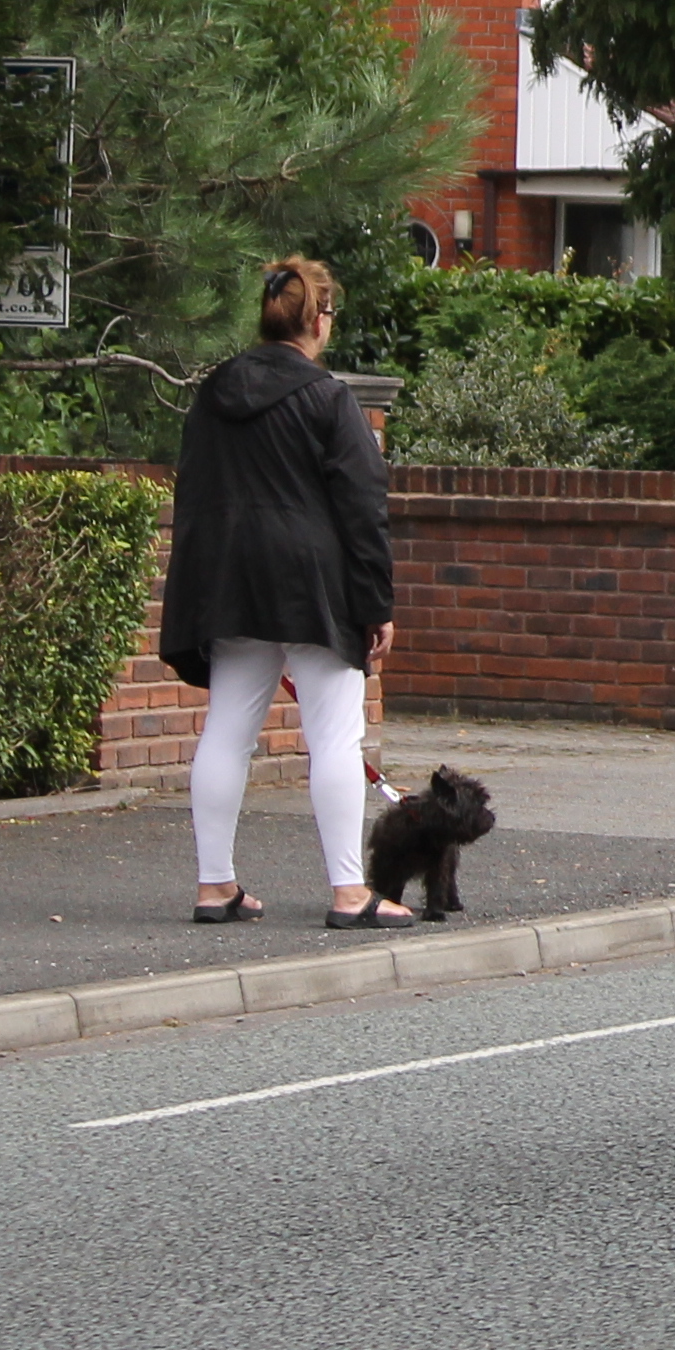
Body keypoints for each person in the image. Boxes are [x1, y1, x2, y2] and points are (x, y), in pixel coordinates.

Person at [163, 255, 401, 929]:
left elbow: (195, 489)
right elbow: (363, 505)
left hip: (232, 581)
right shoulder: (328, 398)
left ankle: (216, 886)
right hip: (314, 584)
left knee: (228, 731)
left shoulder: (214, 393)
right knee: (334, 737)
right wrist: (376, 603)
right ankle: (349, 893)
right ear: (317, 319)